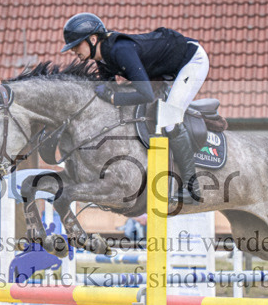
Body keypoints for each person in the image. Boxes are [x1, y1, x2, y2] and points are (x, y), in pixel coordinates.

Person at [61, 13, 210, 204]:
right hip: (168, 67)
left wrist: (114, 98)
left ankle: (192, 188)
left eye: (76, 45)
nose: (73, 50)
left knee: (169, 120)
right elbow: (108, 92)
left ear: (92, 39)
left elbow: (145, 94)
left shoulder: (120, 50)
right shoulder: (103, 58)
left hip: (191, 61)